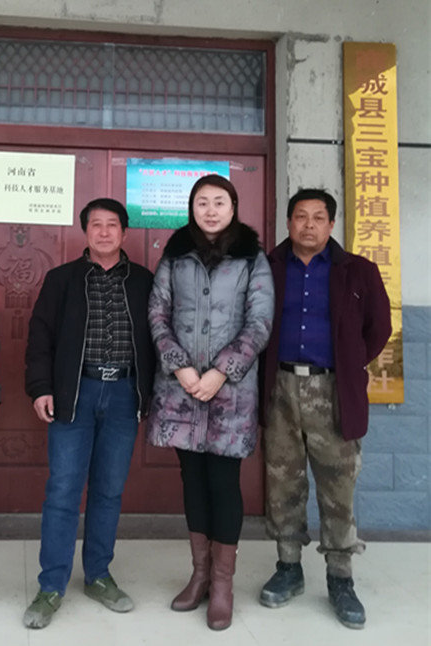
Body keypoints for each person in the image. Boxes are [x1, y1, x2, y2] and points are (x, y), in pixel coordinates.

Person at [259, 188, 391, 629]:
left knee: (338, 486)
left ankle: (340, 576)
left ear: (332, 225)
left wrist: (351, 365)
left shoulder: (358, 271)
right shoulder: (269, 267)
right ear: (289, 222)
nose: (309, 225)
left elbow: (379, 327)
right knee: (283, 483)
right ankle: (288, 567)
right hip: (280, 387)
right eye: (301, 216)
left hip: (333, 390)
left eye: (319, 217)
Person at [147, 174, 274, 630]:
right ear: (192, 208)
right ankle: (199, 574)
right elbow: (157, 313)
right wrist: (179, 365)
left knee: (223, 483)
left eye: (220, 202)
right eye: (202, 202)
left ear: (234, 207)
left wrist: (222, 371)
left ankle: (222, 584)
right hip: (180, 392)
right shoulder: (175, 255)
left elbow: (260, 322)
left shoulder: (252, 258)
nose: (211, 210)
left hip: (230, 394)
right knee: (193, 482)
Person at [22, 197, 155, 629]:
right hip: (74, 394)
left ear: (124, 232)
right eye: (95, 224)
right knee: (63, 489)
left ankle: (98, 575)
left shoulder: (144, 281)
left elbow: (159, 339)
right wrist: (41, 388)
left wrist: (149, 394)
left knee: (109, 490)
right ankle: (51, 585)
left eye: (112, 224)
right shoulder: (62, 279)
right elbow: (40, 337)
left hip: (123, 396)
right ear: (85, 232)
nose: (104, 232)